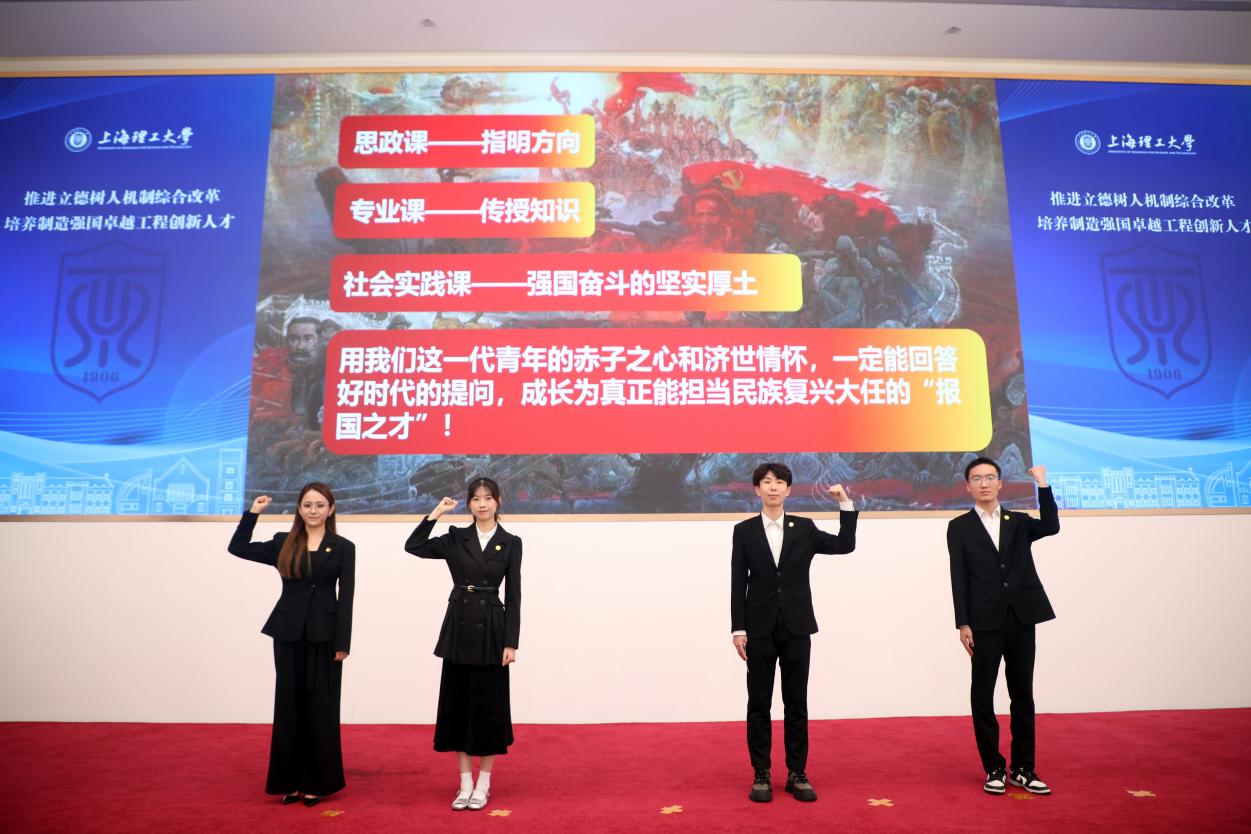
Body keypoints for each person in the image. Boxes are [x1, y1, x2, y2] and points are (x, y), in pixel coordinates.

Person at [730, 462, 858, 803]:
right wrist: (738, 628)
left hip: (797, 626)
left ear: (788, 489)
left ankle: (797, 773)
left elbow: (845, 544)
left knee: (796, 703)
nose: (773, 487)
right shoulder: (744, 531)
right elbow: (738, 582)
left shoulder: (804, 528)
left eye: (779, 482)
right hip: (758, 629)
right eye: (766, 482)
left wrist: (844, 503)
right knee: (759, 703)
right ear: (757, 489)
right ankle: (761, 773)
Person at [227, 482, 354, 806]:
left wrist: (343, 642)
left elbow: (346, 597)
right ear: (299, 509)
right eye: (307, 505)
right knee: (289, 705)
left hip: (326, 637)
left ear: (331, 509)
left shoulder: (343, 547)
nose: (313, 510)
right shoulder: (283, 542)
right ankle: (290, 782)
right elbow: (237, 547)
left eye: (320, 505)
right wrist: (253, 513)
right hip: (287, 633)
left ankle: (316, 783)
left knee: (322, 708)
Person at [405, 477, 521, 812]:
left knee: (489, 710)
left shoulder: (511, 542)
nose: (482, 504)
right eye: (476, 499)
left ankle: (483, 784)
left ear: (498, 501)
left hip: (492, 632)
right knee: (458, 708)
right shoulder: (456, 537)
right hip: (459, 628)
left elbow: (514, 595)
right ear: (468, 503)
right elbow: (413, 546)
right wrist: (436, 514)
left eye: (488, 498)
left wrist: (510, 642)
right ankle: (464, 783)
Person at [947, 457, 1058, 796]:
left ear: (1000, 483)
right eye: (977, 478)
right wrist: (963, 623)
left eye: (990, 477)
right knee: (982, 695)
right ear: (968, 486)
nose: (984, 483)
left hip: (1022, 617)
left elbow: (1051, 525)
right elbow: (958, 577)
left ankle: (1023, 768)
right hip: (983, 621)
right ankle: (993, 767)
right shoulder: (959, 526)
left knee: (1022, 694)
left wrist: (1042, 484)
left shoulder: (1018, 522)